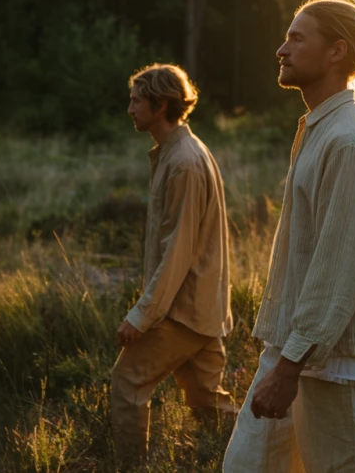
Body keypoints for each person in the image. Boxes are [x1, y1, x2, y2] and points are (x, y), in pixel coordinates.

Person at [223, 0, 355, 472]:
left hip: (329, 366)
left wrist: (291, 366)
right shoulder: (322, 130)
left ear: (336, 51)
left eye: (297, 38)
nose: (281, 49)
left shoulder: (348, 142)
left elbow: (339, 265)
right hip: (294, 351)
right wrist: (286, 358)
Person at [110, 63, 238, 469]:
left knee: (128, 382)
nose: (129, 108)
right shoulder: (179, 153)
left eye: (135, 101)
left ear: (159, 104)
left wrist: (141, 314)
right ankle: (268, 454)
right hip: (201, 307)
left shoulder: (183, 162)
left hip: (182, 311)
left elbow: (177, 251)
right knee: (208, 405)